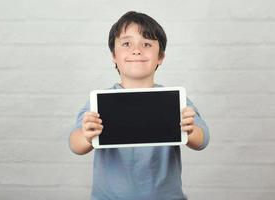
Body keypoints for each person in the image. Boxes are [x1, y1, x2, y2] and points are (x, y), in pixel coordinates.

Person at [69, 11, 210, 200]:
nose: (136, 50)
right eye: (126, 44)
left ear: (160, 57)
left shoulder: (175, 100)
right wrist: (86, 136)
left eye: (147, 44)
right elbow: (75, 144)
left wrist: (191, 130)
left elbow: (203, 140)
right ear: (114, 56)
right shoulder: (100, 102)